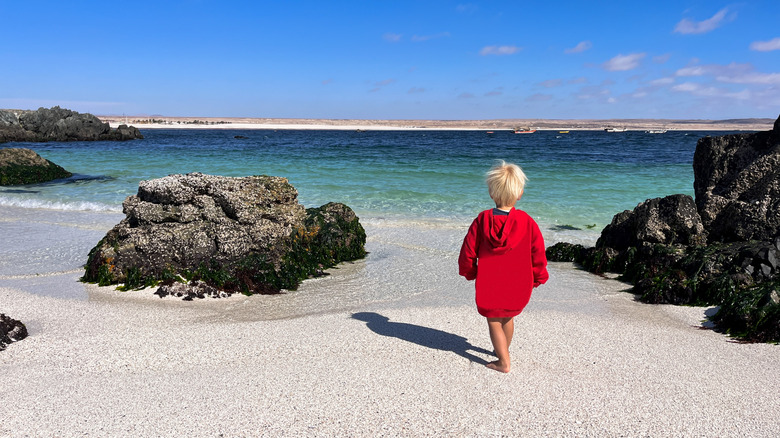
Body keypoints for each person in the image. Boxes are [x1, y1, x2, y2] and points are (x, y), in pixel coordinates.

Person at [458, 160, 549, 373]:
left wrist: (469, 271)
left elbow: (468, 251)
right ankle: (503, 350)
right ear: (520, 193)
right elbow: (538, 253)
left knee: (494, 320)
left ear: (491, 192)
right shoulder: (527, 222)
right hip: (518, 281)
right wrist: (539, 276)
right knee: (507, 316)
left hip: (490, 281)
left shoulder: (482, 220)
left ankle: (503, 362)